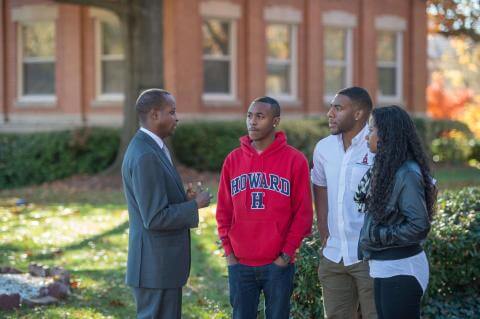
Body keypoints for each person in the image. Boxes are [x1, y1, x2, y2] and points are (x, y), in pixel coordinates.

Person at [216, 96, 313, 319]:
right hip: (240, 263)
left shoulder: (295, 160)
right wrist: (229, 254)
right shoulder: (233, 160)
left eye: (260, 116)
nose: (252, 121)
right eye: (249, 116)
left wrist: (286, 255)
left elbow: (304, 213)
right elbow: (223, 212)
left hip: (278, 264)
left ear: (275, 121)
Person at [121, 88, 212, 319]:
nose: (176, 117)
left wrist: (184, 199)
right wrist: (195, 206)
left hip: (161, 266)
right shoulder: (145, 155)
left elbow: (155, 201)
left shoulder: (155, 147)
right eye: (171, 112)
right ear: (154, 115)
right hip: (154, 267)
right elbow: (154, 217)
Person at [355, 105, 436, 319]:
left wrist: (379, 235)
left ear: (386, 135)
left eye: (371, 130)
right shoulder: (386, 170)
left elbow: (419, 225)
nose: (366, 137)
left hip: (402, 268)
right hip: (384, 265)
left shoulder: (406, 173)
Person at [311, 87, 377, 318]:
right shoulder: (324, 148)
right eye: (331, 107)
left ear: (358, 113)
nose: (330, 113)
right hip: (334, 255)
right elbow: (319, 185)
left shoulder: (379, 144)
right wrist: (323, 230)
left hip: (370, 256)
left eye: (338, 108)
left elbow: (421, 183)